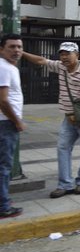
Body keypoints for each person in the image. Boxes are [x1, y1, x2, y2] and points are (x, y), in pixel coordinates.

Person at [22, 42, 80, 198]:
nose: (64, 57)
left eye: (68, 53)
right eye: (62, 54)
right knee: (62, 148)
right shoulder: (60, 67)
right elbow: (41, 61)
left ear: (77, 55)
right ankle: (65, 184)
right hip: (68, 119)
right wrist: (21, 52)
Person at [0, 34, 26, 219]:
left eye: (19, 47)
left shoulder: (9, 67)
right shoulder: (4, 67)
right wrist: (17, 121)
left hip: (6, 122)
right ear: (2, 49)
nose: (16, 50)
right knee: (4, 165)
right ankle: (3, 206)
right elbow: (3, 101)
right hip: (5, 123)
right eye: (12, 46)